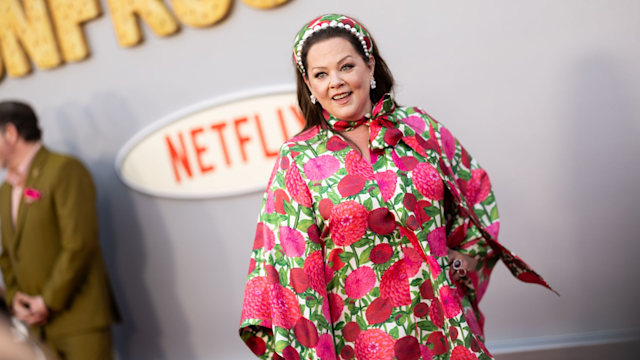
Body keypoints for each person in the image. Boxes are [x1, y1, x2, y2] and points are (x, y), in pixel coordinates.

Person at [239, 14, 555, 360]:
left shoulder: (420, 128)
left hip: (444, 329)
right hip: (361, 343)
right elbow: (291, 273)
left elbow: (474, 193)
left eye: (346, 66)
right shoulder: (298, 159)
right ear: (309, 85)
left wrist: (460, 262)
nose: (336, 83)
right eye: (321, 74)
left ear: (370, 65)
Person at [0, 101, 120, 359]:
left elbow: (79, 244)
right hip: (36, 331)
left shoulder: (64, 169)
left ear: (10, 133)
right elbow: (8, 253)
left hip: (80, 322)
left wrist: (48, 301)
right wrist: (14, 298)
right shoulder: (5, 190)